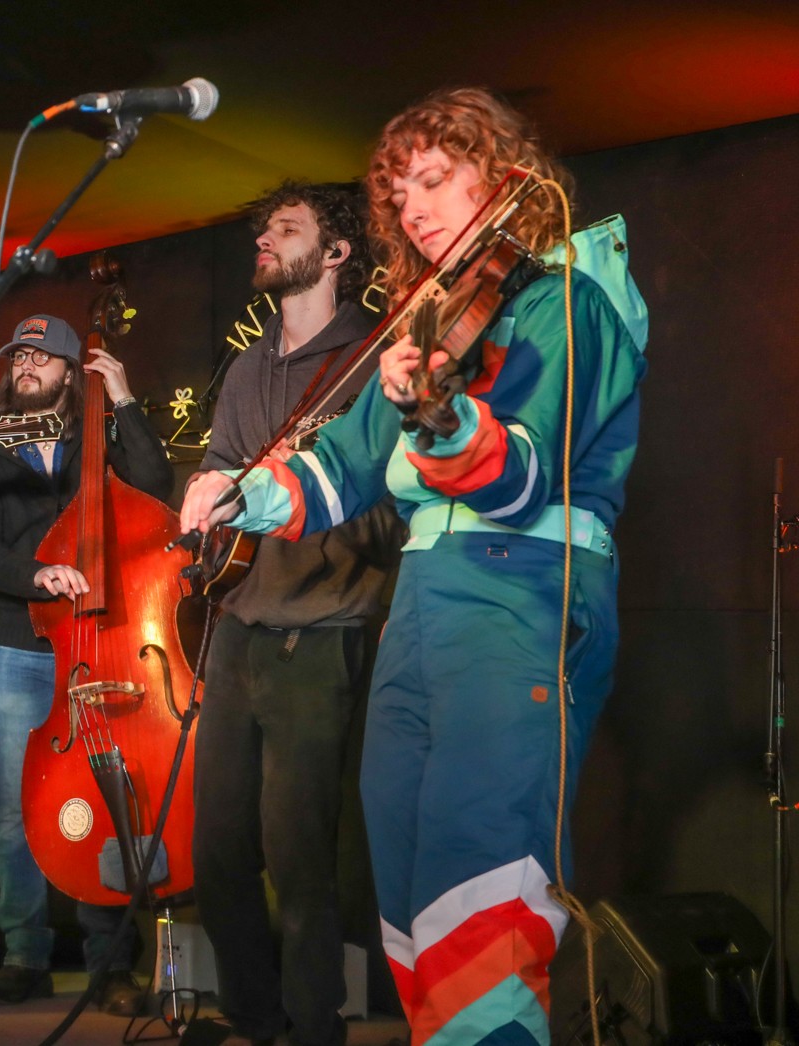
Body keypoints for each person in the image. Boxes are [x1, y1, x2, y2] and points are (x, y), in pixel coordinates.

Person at [182, 87, 648, 1045]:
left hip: (521, 591)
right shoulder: (432, 322)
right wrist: (240, 492)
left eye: (435, 181)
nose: (414, 210)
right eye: (401, 196)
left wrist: (441, 418)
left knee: (482, 876)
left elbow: (521, 476)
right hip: (424, 602)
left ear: (506, 176)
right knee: (404, 880)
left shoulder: (570, 300)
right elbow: (343, 465)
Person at [190, 182, 403, 1046]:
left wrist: (303, 494)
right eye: (264, 229)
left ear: (337, 253)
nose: (265, 240)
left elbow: (393, 517)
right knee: (216, 855)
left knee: (301, 860)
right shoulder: (246, 367)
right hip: (239, 628)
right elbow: (218, 466)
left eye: (287, 228)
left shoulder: (374, 359)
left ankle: (316, 1027)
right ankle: (252, 1019)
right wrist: (212, 498)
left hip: (321, 633)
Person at [0, 313, 173, 1015]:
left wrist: (125, 399)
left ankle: (109, 964)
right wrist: (36, 575)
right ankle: (24, 956)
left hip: (96, 643)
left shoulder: (98, 434)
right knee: (16, 809)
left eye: (42, 357)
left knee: (106, 795)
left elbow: (155, 485)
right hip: (17, 644)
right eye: (19, 356)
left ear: (70, 373)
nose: (26, 365)